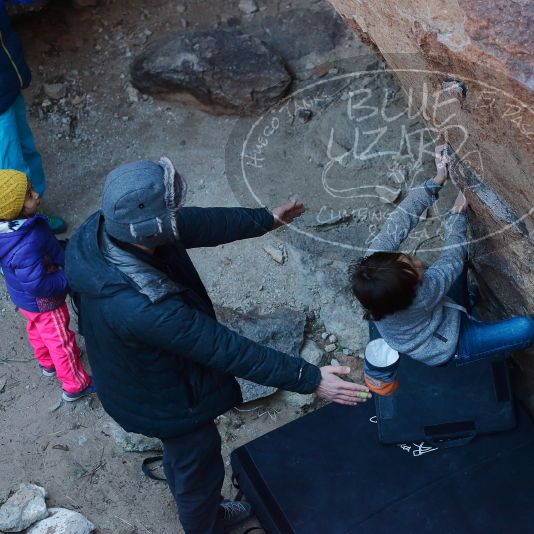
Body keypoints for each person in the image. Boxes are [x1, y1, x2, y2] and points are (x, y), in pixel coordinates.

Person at [65, 158, 370, 534]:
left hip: (135, 374)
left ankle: (186, 485)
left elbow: (191, 223)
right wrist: (310, 378)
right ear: (152, 227)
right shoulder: (143, 307)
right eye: (170, 211)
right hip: (162, 402)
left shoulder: (105, 230)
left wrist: (263, 220)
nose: (177, 215)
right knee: (199, 461)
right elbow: (227, 349)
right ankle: (205, 523)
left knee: (184, 457)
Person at [350, 146, 534, 395]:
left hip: (422, 320)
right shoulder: (422, 295)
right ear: (410, 292)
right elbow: (452, 259)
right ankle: (382, 373)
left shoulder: (374, 263)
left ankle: (467, 302)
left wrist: (437, 179)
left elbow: (400, 219)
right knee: (526, 329)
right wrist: (456, 213)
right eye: (416, 274)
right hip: (449, 345)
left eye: (406, 259)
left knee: (455, 284)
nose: (418, 263)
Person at [0, 169, 93, 400]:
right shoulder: (25, 244)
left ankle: (47, 362)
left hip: (25, 300)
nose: (37, 194)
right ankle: (75, 384)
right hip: (44, 301)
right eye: (30, 196)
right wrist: (68, 277)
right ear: (15, 210)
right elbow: (39, 285)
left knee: (37, 330)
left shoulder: (16, 230)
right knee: (61, 341)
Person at [0, 1, 66, 233]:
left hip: (8, 86)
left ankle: (34, 208)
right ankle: (24, 229)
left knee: (27, 150)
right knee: (12, 168)